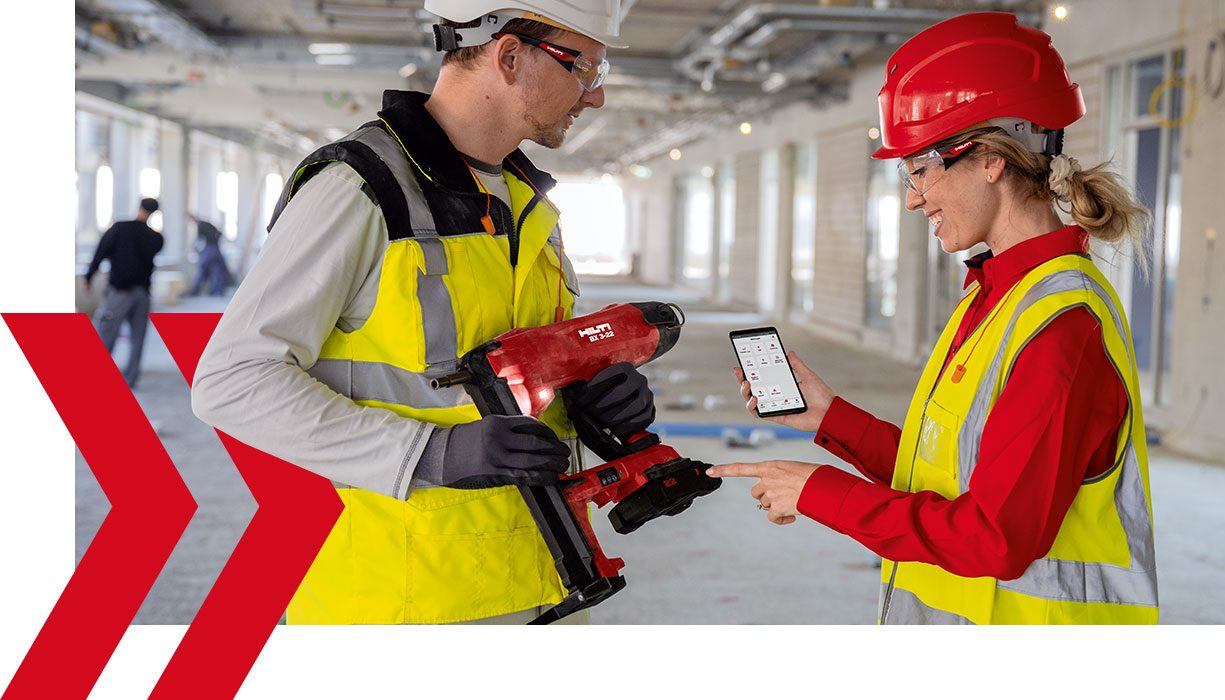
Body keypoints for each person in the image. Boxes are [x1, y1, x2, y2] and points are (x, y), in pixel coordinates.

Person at [192, 0, 655, 625]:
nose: (593, 98)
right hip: (400, 599)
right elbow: (232, 382)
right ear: (510, 57)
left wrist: (589, 398)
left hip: (547, 576)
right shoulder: (360, 189)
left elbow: (503, 371)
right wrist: (430, 454)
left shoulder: (522, 199)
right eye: (586, 71)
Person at [709, 12, 1159, 625]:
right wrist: (831, 419)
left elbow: (995, 537)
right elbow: (953, 473)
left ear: (990, 159)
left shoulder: (1061, 327)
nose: (913, 196)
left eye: (920, 168)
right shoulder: (993, 294)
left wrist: (820, 491)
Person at [83, 196, 164, 388]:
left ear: (139, 207)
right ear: (155, 213)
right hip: (143, 293)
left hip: (120, 292)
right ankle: (130, 380)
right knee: (138, 338)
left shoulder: (120, 229)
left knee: (106, 333)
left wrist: (88, 276)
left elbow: (100, 251)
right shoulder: (156, 238)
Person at [186, 214, 231, 296]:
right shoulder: (206, 223)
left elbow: (199, 240)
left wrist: (195, 249)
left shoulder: (200, 225)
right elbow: (219, 233)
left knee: (202, 269)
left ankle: (195, 291)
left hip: (210, 248)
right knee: (217, 271)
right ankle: (217, 291)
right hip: (214, 248)